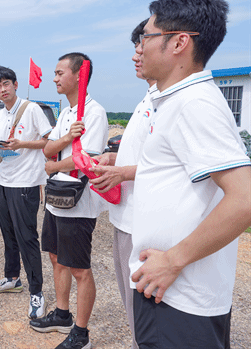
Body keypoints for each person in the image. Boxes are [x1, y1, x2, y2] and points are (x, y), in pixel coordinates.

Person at [128, 0, 251, 348]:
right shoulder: (176, 100)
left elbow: (244, 197)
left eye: (146, 37)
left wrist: (173, 260)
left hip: (180, 299)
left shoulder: (194, 104)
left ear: (179, 43)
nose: (140, 48)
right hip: (166, 290)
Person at [30, 53, 107, 349]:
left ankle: (81, 333)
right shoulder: (66, 113)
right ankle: (62, 315)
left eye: (60, 73)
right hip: (55, 198)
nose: (55, 78)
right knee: (55, 257)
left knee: (79, 269)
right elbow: (48, 148)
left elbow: (86, 158)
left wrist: (52, 166)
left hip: (78, 201)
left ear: (79, 75)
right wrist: (62, 143)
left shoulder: (94, 112)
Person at [88, 20, 158, 349]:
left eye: (142, 45)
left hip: (143, 223)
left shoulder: (170, 101)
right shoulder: (147, 99)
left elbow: (171, 168)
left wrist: (122, 173)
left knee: (145, 313)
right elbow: (146, 155)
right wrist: (115, 160)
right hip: (124, 217)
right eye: (135, 47)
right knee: (132, 308)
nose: (136, 55)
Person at [0, 66, 52, 320]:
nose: (3, 89)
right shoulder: (0, 114)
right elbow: (3, 145)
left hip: (26, 182)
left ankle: (37, 292)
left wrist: (23, 144)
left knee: (26, 238)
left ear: (15, 84)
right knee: (8, 235)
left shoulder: (32, 109)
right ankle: (12, 278)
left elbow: (49, 141)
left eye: (6, 84)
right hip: (4, 181)